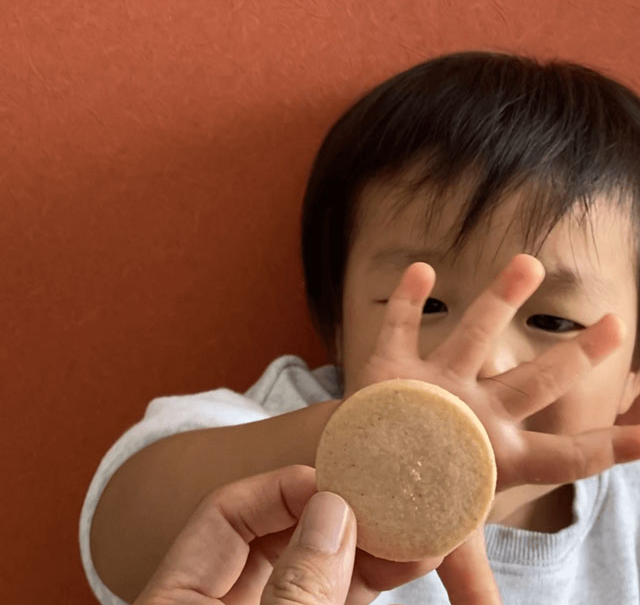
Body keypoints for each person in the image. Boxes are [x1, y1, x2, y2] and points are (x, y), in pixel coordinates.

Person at [80, 50, 640, 604]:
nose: (485, 361)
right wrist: (368, 440)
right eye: (427, 305)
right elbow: (121, 528)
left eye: (552, 320)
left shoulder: (627, 509)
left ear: (633, 372)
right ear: (336, 324)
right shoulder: (278, 434)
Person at [133, 465, 501, 604]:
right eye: (433, 307)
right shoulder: (283, 406)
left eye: (551, 322)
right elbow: (130, 511)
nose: (493, 363)